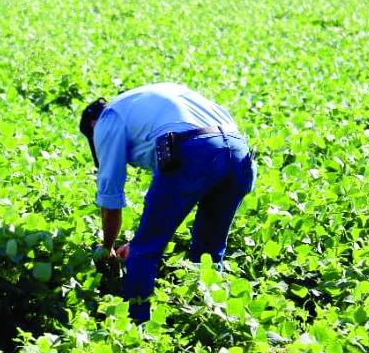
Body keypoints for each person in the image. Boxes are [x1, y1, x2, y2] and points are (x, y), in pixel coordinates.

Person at [79, 83, 256, 322]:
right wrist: (144, 236)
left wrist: (108, 246)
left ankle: (136, 328)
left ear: (92, 126)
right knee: (209, 251)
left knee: (144, 253)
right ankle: (211, 319)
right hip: (238, 151)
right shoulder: (150, 99)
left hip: (193, 149)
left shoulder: (109, 117)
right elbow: (178, 197)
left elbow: (110, 194)